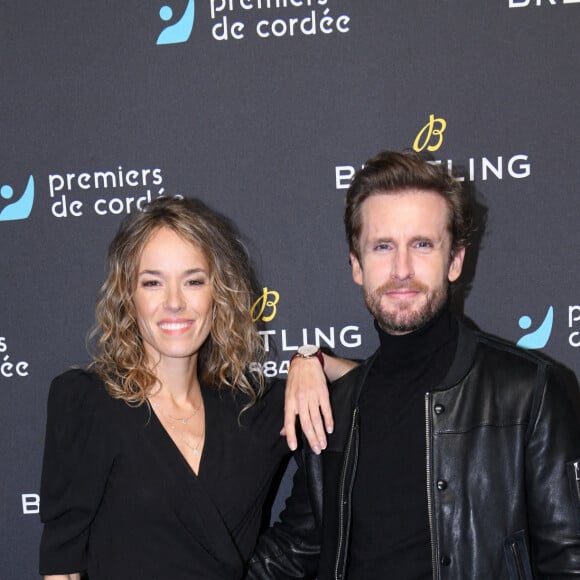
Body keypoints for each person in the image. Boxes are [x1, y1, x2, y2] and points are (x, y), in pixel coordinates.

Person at [248, 150, 580, 579]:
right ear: (356, 265)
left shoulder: (530, 392)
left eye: (422, 245)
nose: (401, 269)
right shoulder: (336, 409)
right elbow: (294, 551)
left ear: (455, 261)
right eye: (383, 246)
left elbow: (570, 562)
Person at [38, 196, 354, 580]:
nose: (174, 303)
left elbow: (382, 382)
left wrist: (312, 359)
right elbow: (61, 568)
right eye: (152, 282)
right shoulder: (87, 402)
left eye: (193, 281)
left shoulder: (255, 409)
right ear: (128, 297)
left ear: (217, 295)